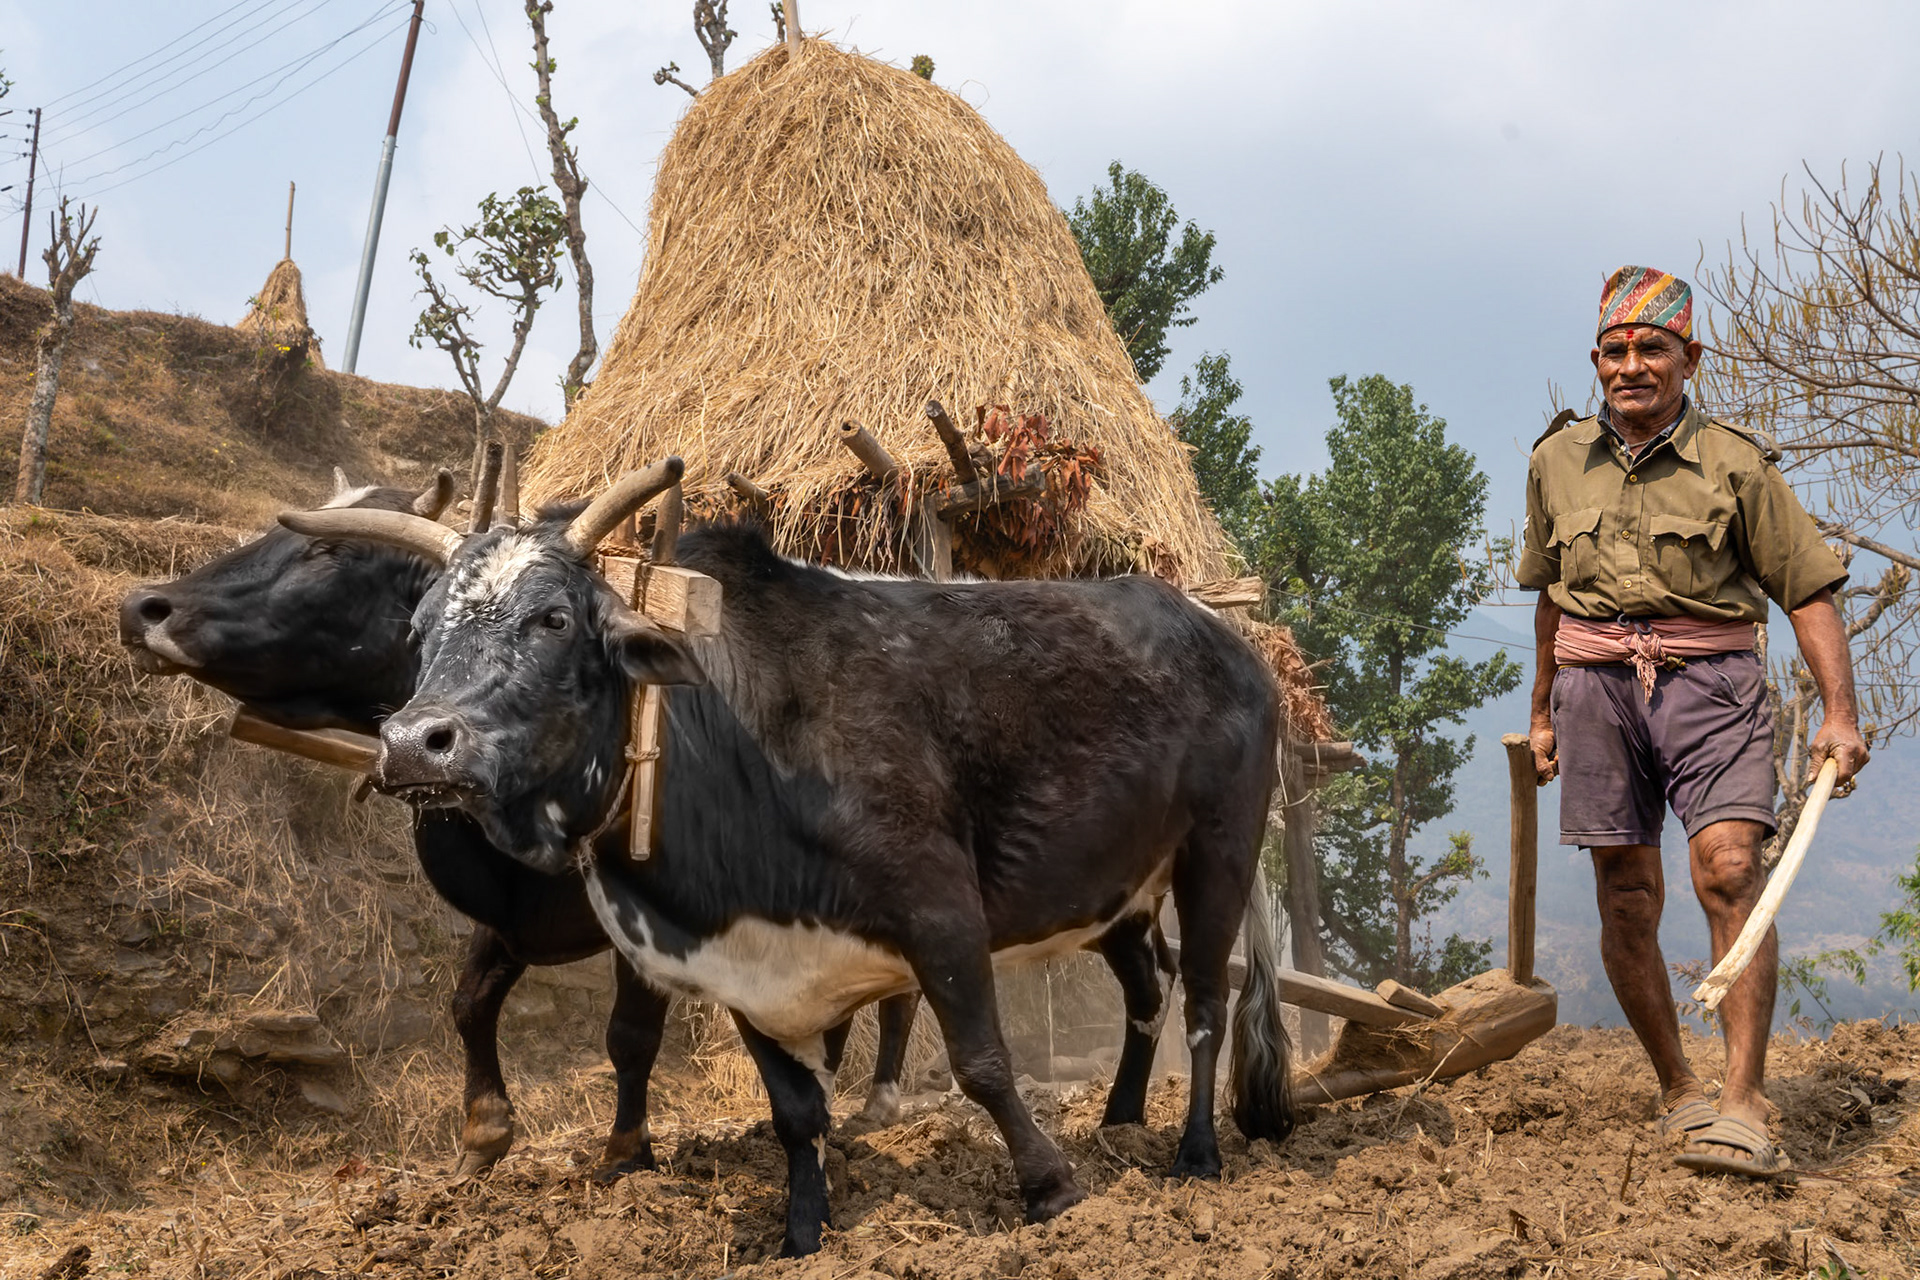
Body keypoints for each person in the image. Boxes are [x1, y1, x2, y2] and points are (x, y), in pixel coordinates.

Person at [1517, 265, 1870, 1180]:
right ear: (1597, 360)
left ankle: (1745, 1101)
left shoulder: (1736, 464)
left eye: (1652, 348)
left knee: (1730, 870)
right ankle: (1678, 1086)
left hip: (1712, 687)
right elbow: (1550, 596)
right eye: (1615, 350)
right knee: (1626, 895)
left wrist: (1840, 714)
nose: (1631, 366)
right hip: (1594, 692)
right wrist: (1542, 710)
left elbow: (1808, 591)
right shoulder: (1555, 462)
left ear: (1690, 358)